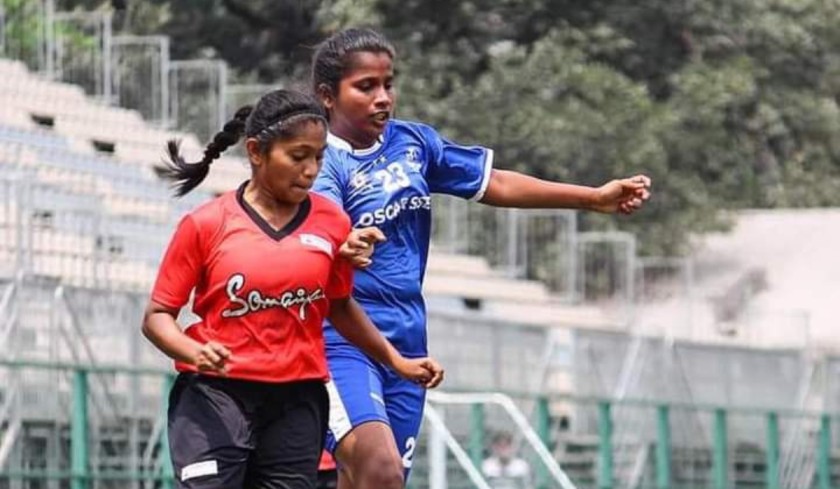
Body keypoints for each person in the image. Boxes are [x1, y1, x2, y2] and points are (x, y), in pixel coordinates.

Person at [310, 28, 652, 489]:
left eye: (388, 83)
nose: (383, 97)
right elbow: (324, 223)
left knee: (372, 481)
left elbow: (498, 185)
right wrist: (344, 243)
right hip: (342, 338)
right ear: (327, 96)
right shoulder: (322, 161)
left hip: (408, 338)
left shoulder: (414, 144)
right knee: (380, 471)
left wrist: (592, 198)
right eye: (366, 87)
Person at [143, 88, 443, 489]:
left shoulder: (332, 223)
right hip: (216, 398)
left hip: (296, 401)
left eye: (318, 158)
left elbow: (339, 306)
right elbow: (157, 319)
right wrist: (194, 351)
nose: (310, 170)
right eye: (298, 157)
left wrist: (396, 361)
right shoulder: (206, 224)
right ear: (256, 152)